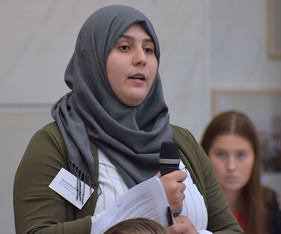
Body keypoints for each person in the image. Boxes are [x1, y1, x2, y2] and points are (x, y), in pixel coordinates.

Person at [13, 5, 243, 234]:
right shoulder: (56, 144)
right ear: (93, 58)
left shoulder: (182, 142)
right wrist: (149, 206)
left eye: (149, 49)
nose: (141, 58)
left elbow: (230, 229)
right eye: (124, 47)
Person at [200, 110, 281, 234]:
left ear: (255, 156)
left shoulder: (267, 202)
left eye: (241, 155)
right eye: (221, 154)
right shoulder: (189, 203)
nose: (231, 166)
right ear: (204, 155)